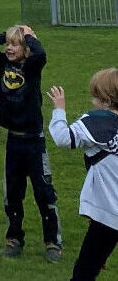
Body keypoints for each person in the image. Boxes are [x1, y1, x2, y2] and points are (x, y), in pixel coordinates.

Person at [0, 24, 62, 262]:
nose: (8, 48)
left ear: (25, 49)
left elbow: (41, 54)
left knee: (44, 192)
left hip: (33, 142)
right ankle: (14, 239)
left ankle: (53, 243)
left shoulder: (32, 67)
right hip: (13, 141)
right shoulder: (4, 66)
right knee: (13, 194)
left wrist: (28, 36)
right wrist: (7, 33)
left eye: (14, 45)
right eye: (7, 44)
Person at [47, 70, 118, 281]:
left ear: (105, 99)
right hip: (107, 212)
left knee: (84, 272)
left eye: (95, 94)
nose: (92, 99)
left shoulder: (98, 121)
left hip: (109, 214)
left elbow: (63, 138)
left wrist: (59, 110)